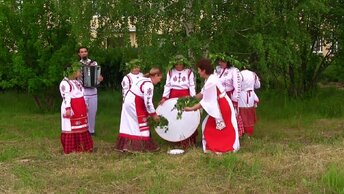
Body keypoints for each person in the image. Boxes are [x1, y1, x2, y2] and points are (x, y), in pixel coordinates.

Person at [184, 59, 240, 153]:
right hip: (222, 103)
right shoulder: (211, 78)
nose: (198, 72)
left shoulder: (211, 82)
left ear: (204, 70)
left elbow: (205, 102)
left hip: (221, 106)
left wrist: (191, 108)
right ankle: (219, 143)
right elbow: (202, 93)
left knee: (214, 126)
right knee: (215, 125)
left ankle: (221, 145)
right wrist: (190, 98)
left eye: (198, 70)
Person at [115, 67, 163, 153]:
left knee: (130, 124)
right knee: (142, 124)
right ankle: (140, 147)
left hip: (128, 101)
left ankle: (127, 146)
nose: (159, 81)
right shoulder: (149, 85)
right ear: (155, 75)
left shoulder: (142, 79)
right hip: (134, 103)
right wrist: (154, 115)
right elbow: (148, 102)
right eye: (159, 78)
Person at [159, 55, 197, 148]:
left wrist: (193, 99)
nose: (178, 66)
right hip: (173, 95)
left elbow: (192, 86)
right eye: (176, 64)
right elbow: (167, 85)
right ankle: (175, 139)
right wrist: (164, 97)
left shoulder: (189, 72)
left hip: (185, 95)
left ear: (183, 63)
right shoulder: (170, 72)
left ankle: (187, 139)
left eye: (180, 64)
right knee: (174, 116)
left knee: (186, 116)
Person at [59, 63, 93, 154]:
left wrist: (85, 105)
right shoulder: (65, 83)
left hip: (80, 106)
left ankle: (83, 147)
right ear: (72, 72)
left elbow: (82, 94)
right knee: (71, 126)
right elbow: (66, 96)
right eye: (78, 71)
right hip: (72, 107)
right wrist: (68, 108)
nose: (80, 72)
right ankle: (72, 148)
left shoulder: (77, 82)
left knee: (82, 126)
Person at [213, 54, 244, 137]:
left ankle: (233, 134)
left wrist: (234, 98)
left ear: (228, 62)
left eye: (223, 61)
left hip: (229, 95)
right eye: (219, 61)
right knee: (219, 114)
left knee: (230, 114)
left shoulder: (234, 70)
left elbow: (237, 85)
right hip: (218, 96)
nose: (220, 63)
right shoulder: (216, 70)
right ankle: (220, 132)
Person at [78, 46, 103, 135]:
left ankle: (91, 130)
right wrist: (78, 76)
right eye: (81, 52)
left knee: (93, 111)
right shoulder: (77, 64)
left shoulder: (94, 63)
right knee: (84, 111)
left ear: (87, 53)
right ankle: (83, 130)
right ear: (79, 54)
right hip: (82, 91)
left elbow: (98, 76)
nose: (83, 53)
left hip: (93, 91)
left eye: (85, 51)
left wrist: (100, 79)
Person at [238, 67, 261, 136]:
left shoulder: (239, 74)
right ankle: (249, 132)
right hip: (251, 95)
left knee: (242, 113)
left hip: (241, 95)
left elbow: (237, 86)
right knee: (249, 113)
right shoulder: (253, 74)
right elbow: (258, 86)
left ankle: (242, 132)